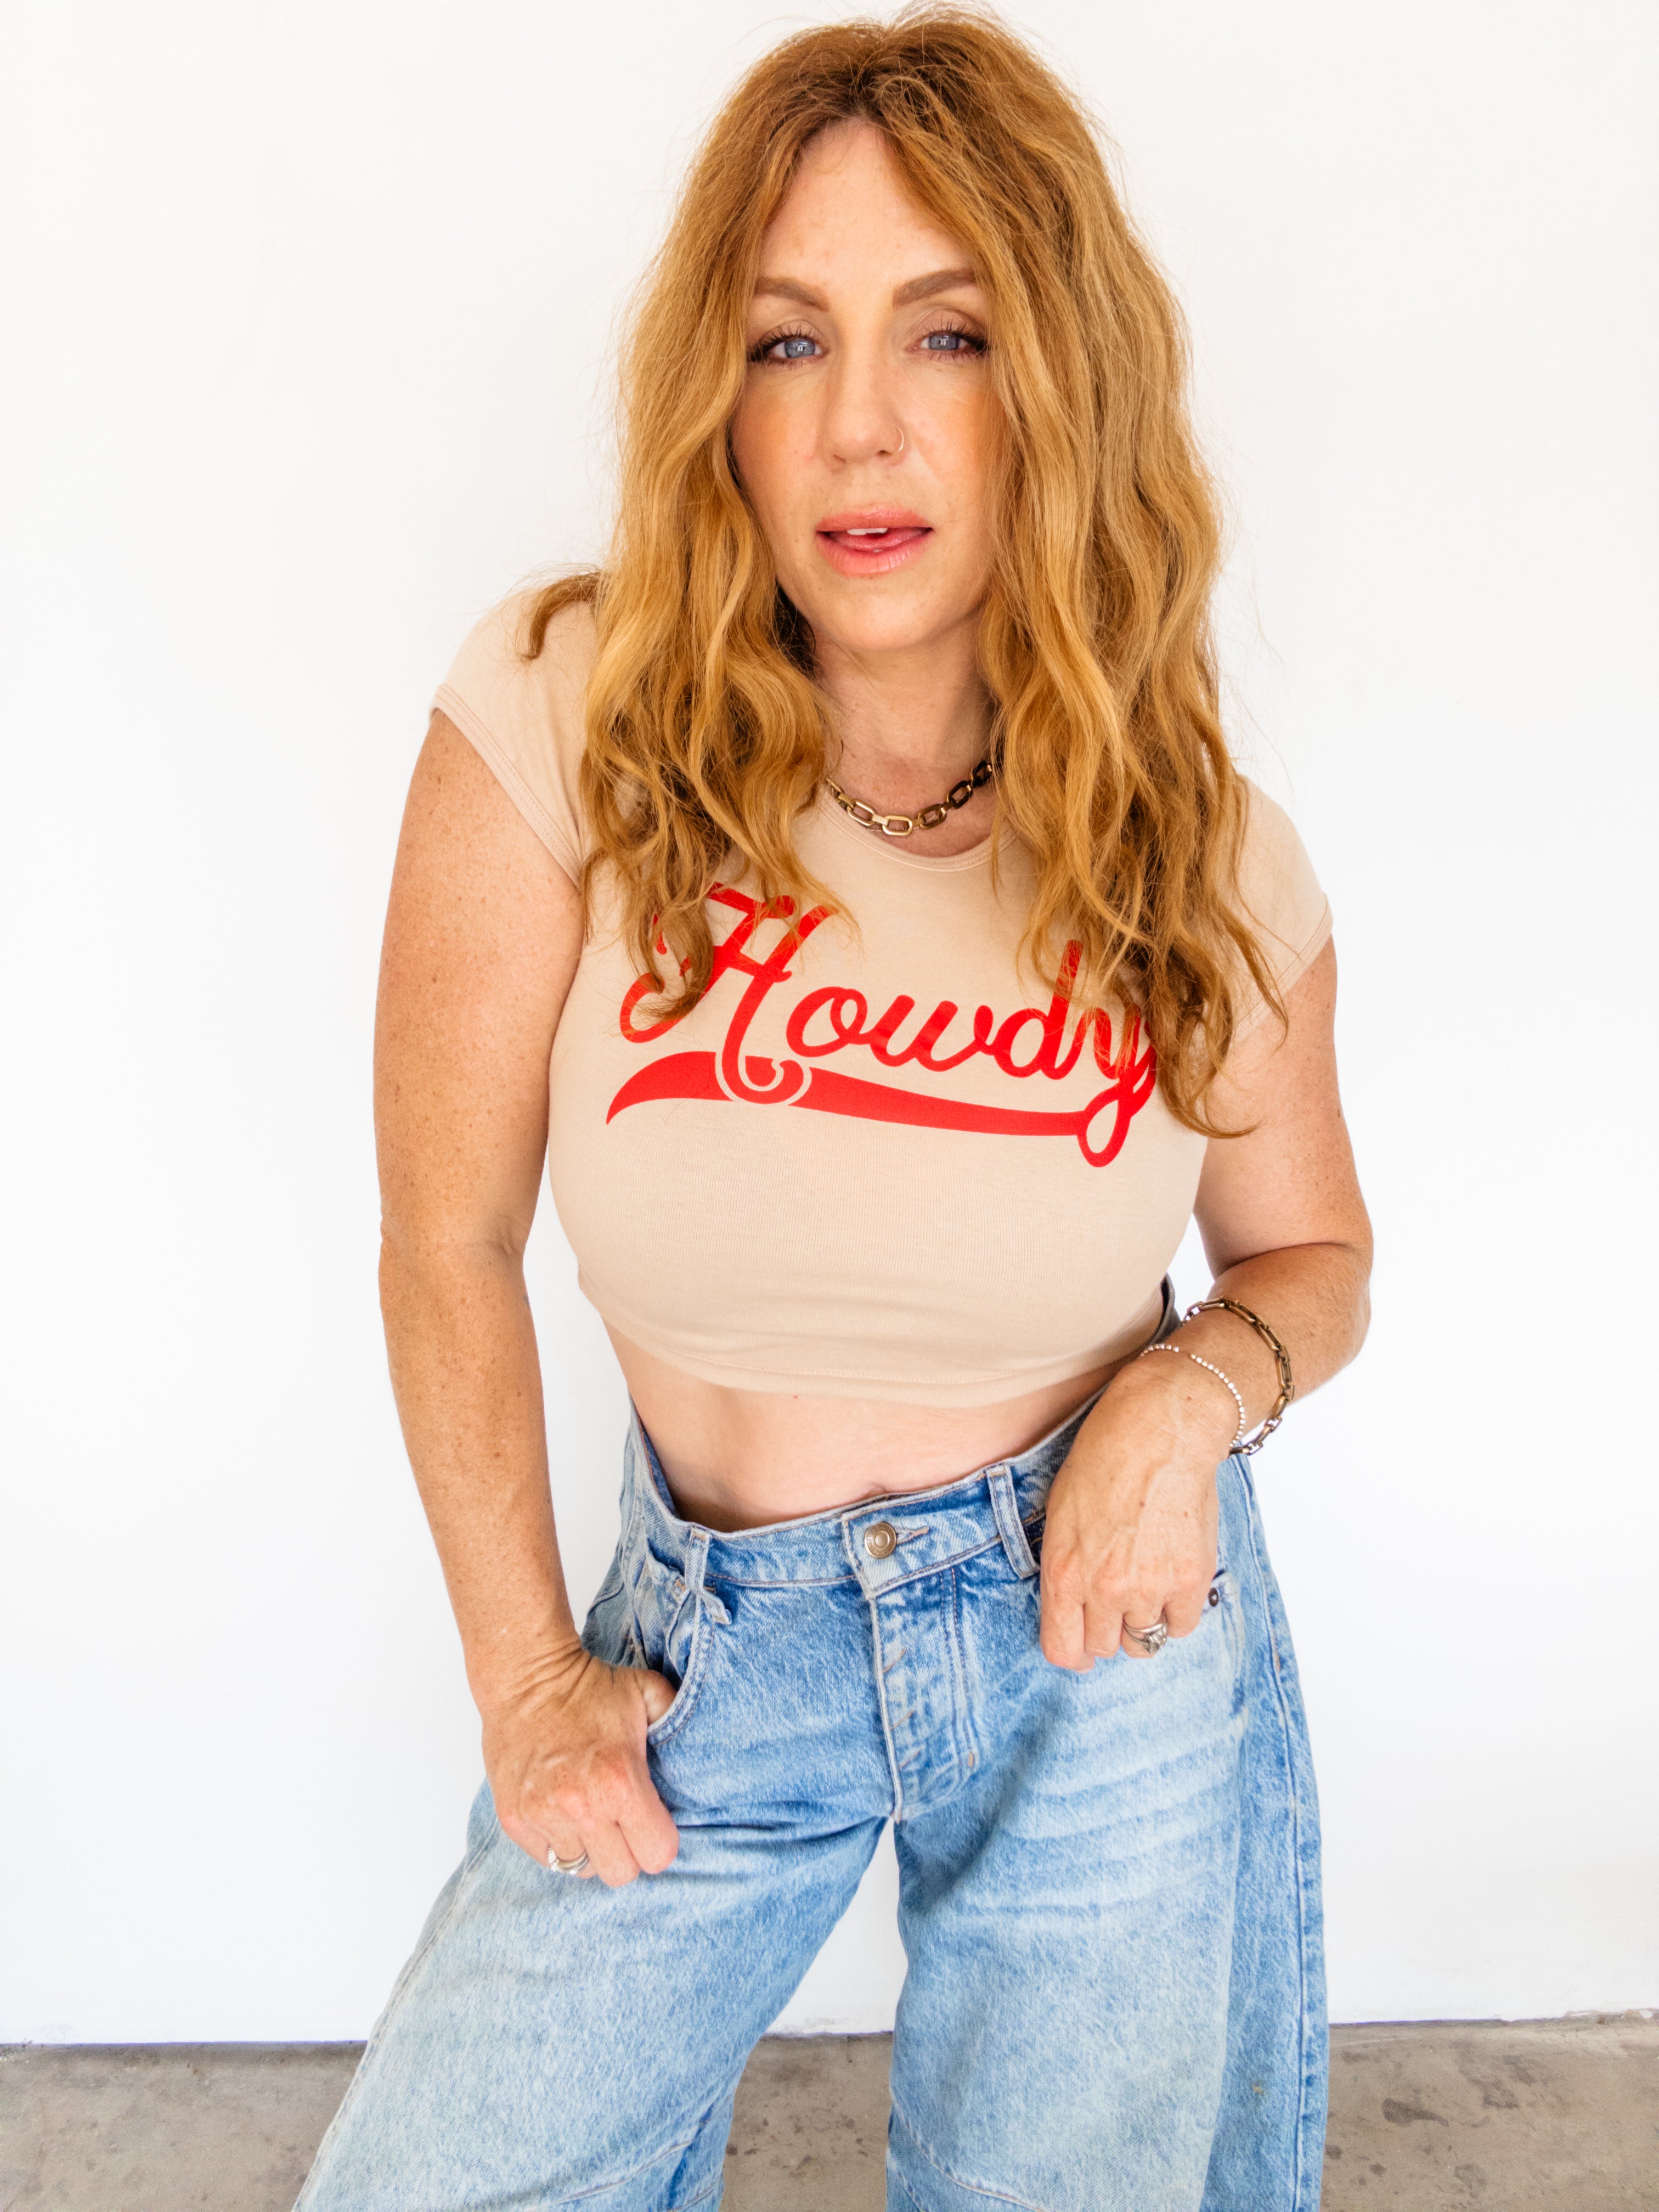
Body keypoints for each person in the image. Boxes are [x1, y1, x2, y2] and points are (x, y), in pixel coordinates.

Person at [296, 11, 1371, 2210]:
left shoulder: (1196, 851)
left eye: (947, 334)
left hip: (1103, 1643)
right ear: (722, 399)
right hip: (715, 1648)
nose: (860, 425)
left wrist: (1189, 1401)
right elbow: (442, 1243)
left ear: (1058, 384)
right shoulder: (567, 720)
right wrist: (526, 1680)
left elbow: (1314, 1257)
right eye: (789, 344)